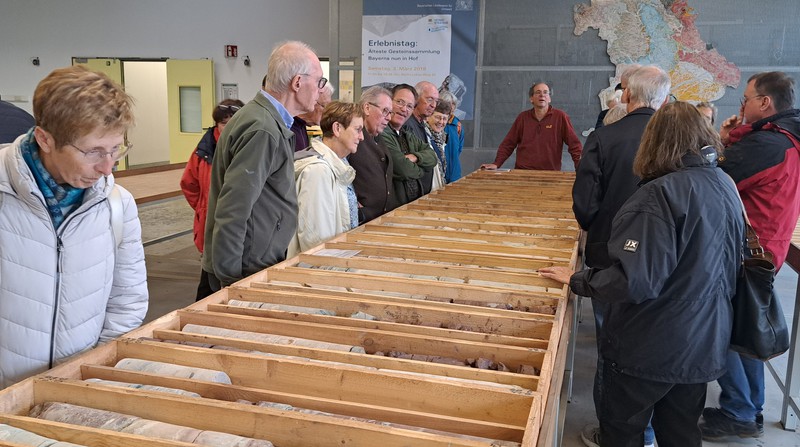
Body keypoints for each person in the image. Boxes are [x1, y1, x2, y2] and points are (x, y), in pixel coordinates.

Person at [541, 101, 743, 447]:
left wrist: (579, 279)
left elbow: (633, 280)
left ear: (654, 140)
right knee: (681, 433)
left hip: (649, 345)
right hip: (703, 340)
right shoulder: (723, 184)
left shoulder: (659, 195)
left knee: (622, 433)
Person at [0, 65, 148, 389]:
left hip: (79, 387)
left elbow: (127, 302)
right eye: (93, 152)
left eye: (116, 149)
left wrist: (90, 373)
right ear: (45, 139)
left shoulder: (117, 205)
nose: (107, 167)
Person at [571, 65, 671, 447]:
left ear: (626, 95)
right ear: (664, 99)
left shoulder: (604, 137)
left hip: (608, 253)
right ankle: (649, 430)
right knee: (655, 336)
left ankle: (614, 431)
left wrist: (596, 226)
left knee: (611, 343)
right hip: (663, 256)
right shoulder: (675, 140)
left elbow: (585, 202)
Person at [700, 71, 800, 441]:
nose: (742, 105)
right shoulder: (785, 138)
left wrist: (723, 139)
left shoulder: (768, 144)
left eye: (746, 99)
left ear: (765, 102)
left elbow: (715, 176)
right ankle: (748, 407)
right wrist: (734, 135)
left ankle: (739, 411)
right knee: (746, 328)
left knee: (721, 329)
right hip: (765, 247)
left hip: (744, 252)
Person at [202, 40, 325, 291]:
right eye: (319, 81)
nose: (320, 91)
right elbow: (233, 208)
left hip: (252, 262)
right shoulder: (263, 129)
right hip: (244, 271)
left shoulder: (267, 121)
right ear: (297, 82)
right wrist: (230, 279)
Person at [180, 98, 244, 301]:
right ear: (216, 124)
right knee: (209, 281)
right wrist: (203, 208)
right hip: (210, 223)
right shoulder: (204, 151)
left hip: (238, 226)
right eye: (224, 123)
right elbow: (189, 184)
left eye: (234, 122)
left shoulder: (246, 146)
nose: (229, 127)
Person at [287, 101, 363, 257]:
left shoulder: (339, 163)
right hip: (323, 265)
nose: (361, 137)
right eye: (357, 129)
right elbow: (315, 238)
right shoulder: (318, 171)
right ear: (337, 128)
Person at [481, 82, 582, 171]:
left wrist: (581, 167)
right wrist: (496, 163)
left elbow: (574, 145)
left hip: (550, 174)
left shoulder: (560, 117)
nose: (542, 95)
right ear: (531, 98)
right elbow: (508, 144)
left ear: (549, 98)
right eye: (538, 92)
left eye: (545, 92)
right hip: (523, 172)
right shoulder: (522, 118)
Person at [382, 84, 439, 206]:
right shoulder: (382, 133)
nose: (404, 109)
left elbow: (433, 156)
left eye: (409, 106)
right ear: (389, 102)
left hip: (412, 204)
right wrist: (423, 171)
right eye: (400, 102)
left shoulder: (407, 133)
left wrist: (416, 157)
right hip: (393, 209)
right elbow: (404, 169)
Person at [349, 86, 396, 223]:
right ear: (367, 108)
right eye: (385, 111)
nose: (389, 118)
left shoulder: (378, 137)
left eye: (390, 113)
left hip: (381, 219)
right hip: (362, 221)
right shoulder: (351, 138)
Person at [292, 82, 334, 151]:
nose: (327, 112)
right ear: (311, 101)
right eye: (324, 106)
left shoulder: (301, 127)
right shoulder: (288, 127)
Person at [402, 81, 439, 145]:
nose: (433, 105)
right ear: (416, 98)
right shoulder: (406, 124)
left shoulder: (421, 122)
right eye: (430, 100)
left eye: (436, 101)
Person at [438, 89, 464, 183]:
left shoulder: (458, 125)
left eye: (453, 104)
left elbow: (459, 148)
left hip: (454, 172)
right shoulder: (435, 123)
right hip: (438, 171)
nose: (451, 106)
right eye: (448, 103)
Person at [425, 99, 451, 189]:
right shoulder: (423, 136)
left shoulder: (442, 138)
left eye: (444, 119)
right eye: (438, 117)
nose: (441, 122)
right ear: (428, 117)